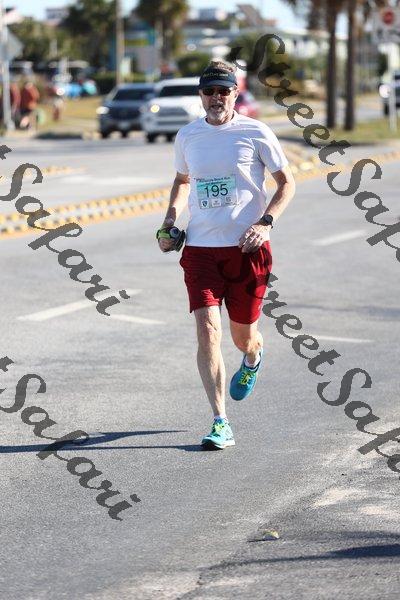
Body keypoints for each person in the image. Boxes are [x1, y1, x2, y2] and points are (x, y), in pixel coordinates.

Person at [157, 60, 295, 450]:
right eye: (209, 91)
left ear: (235, 93)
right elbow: (182, 180)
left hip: (246, 251)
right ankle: (220, 421)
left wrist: (265, 223)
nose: (216, 98)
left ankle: (253, 356)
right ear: (201, 95)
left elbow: (286, 184)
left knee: (242, 337)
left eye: (223, 91)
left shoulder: (256, 132)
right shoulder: (188, 136)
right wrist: (169, 221)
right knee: (207, 333)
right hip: (200, 251)